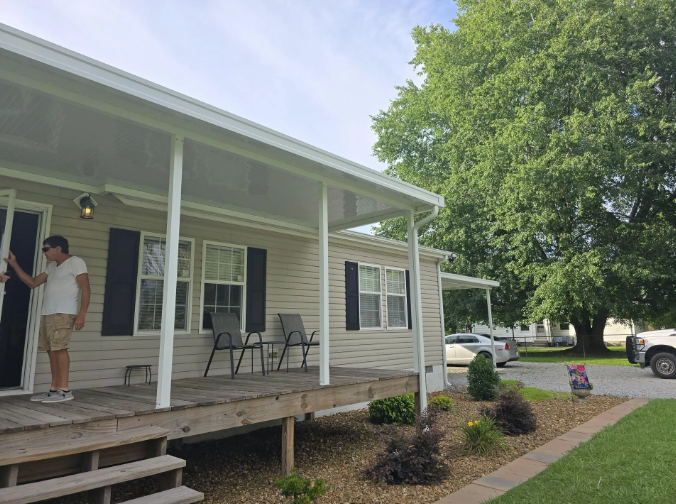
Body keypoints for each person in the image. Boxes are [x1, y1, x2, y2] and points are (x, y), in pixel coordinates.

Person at [4, 235, 90, 402]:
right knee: (51, 350)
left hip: (63, 313)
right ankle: (54, 389)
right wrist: (14, 264)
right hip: (48, 313)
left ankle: (64, 390)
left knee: (60, 348)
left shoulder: (75, 262)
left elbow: (86, 289)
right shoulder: (51, 267)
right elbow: (33, 282)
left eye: (46, 249)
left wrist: (82, 313)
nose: (44, 253)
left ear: (58, 249)